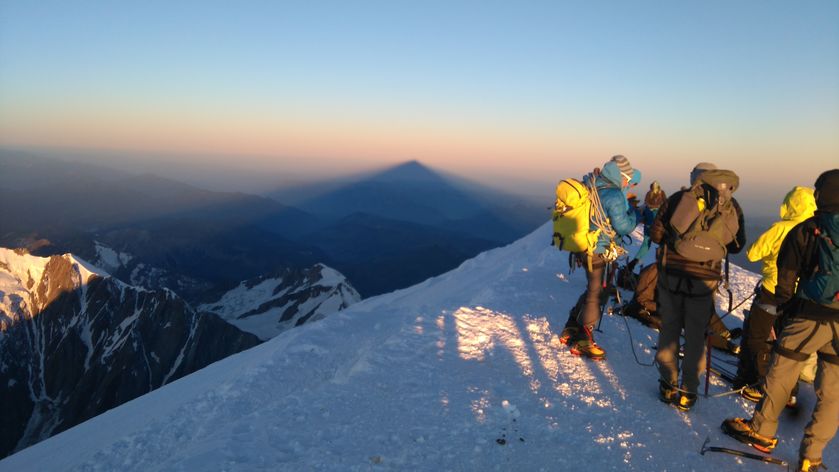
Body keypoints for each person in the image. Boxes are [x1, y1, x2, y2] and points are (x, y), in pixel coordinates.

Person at [723, 169, 839, 472]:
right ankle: (812, 457)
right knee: (833, 390)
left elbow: (787, 278)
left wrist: (788, 311)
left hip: (810, 313)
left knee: (782, 371)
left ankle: (762, 432)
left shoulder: (806, 229)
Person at [650, 162, 746, 411]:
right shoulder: (731, 206)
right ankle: (687, 392)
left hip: (671, 276)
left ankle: (667, 384)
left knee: (669, 331)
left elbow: (656, 235)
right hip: (704, 280)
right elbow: (737, 245)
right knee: (696, 337)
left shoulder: (678, 199)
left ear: (695, 179)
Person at [734, 186, 817, 403]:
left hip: (772, 290)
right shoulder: (815, 231)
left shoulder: (780, 229)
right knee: (787, 344)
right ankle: (789, 390)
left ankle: (753, 382)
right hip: (800, 296)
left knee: (757, 336)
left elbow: (752, 254)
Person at [559, 155, 640, 360]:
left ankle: (571, 327)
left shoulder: (593, 183)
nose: (627, 183)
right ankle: (584, 340)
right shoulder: (613, 194)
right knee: (598, 294)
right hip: (598, 250)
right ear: (620, 175)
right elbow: (624, 226)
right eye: (627, 179)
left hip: (583, 246)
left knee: (593, 290)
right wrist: (635, 215)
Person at [629, 181, 667, 267]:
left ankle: (635, 261)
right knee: (658, 241)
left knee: (647, 242)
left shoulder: (660, 193)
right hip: (654, 218)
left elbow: (663, 203)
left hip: (652, 218)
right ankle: (636, 261)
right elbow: (664, 204)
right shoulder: (650, 193)